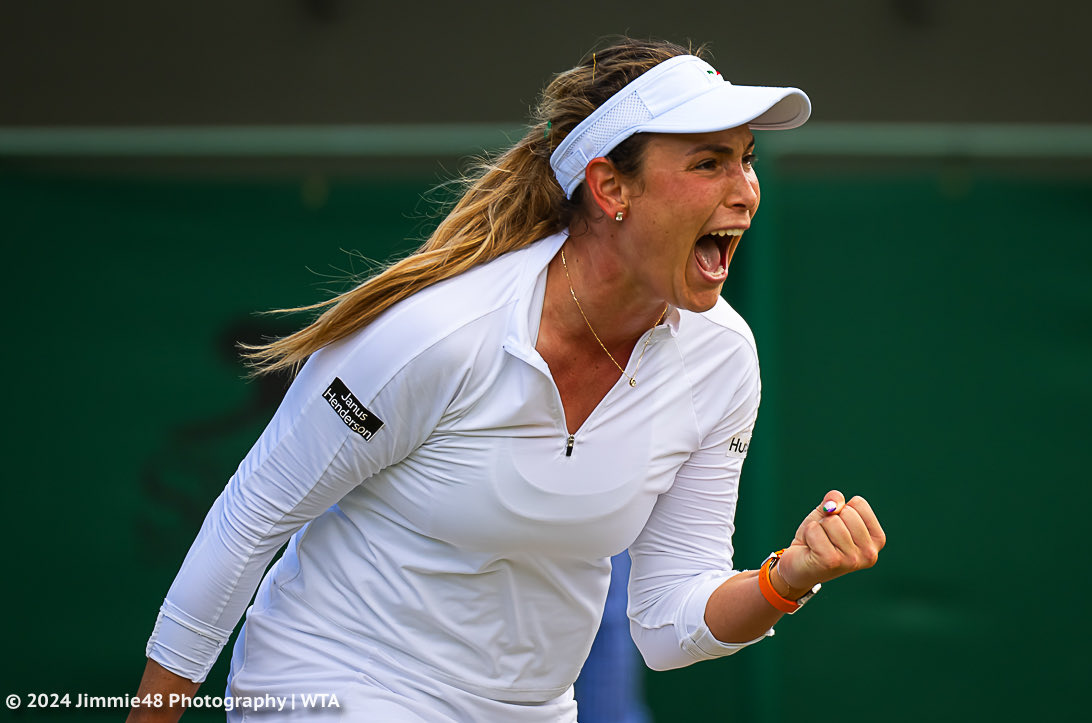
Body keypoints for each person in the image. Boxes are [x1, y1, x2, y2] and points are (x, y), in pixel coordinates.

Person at [129, 38, 886, 722]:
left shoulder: (723, 358)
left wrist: (789, 577)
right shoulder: (436, 332)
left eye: (747, 158)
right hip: (332, 681)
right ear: (610, 188)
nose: (746, 189)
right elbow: (247, 520)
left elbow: (666, 623)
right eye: (708, 162)